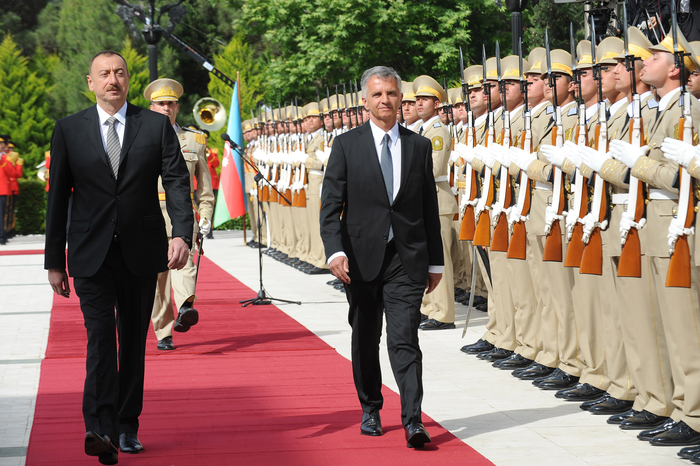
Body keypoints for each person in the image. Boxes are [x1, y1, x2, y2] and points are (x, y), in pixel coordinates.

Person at [44, 51, 193, 465]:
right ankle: (100, 429)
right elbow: (57, 198)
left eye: (120, 73)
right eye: (104, 74)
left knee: (131, 341)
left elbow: (177, 181)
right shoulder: (69, 130)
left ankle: (128, 425)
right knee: (99, 341)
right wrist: (55, 259)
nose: (113, 79)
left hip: (140, 251)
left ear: (128, 80)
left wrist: (182, 233)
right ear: (89, 82)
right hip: (90, 253)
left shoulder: (155, 126)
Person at [320, 65, 443, 448]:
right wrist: (335, 251)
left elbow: (427, 207)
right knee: (366, 337)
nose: (385, 100)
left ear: (400, 98)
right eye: (377, 94)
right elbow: (329, 207)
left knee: (405, 338)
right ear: (365, 101)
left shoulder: (419, 146)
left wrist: (435, 261)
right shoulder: (346, 145)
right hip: (359, 259)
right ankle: (371, 406)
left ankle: (413, 420)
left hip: (405, 259)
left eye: (391, 93)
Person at [145, 78, 215, 351]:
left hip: (182, 212)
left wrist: (206, 214)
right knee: (158, 276)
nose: (166, 108)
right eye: (160, 104)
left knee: (184, 261)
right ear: (152, 107)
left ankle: (186, 306)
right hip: (149, 213)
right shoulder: (140, 136)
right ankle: (163, 332)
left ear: (177, 107)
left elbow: (204, 187)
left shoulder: (194, 140)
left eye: (170, 104)